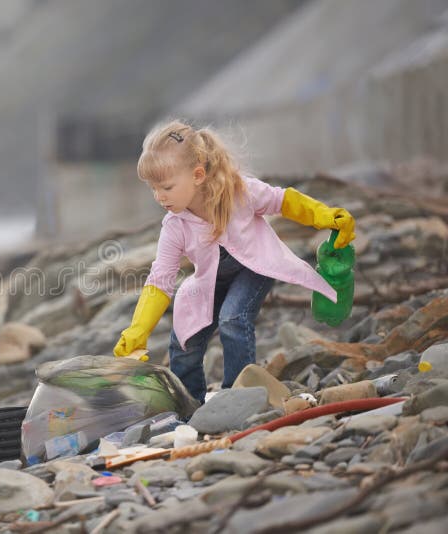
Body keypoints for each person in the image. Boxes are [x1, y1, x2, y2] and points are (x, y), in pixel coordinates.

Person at [112, 118, 356, 404]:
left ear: (198, 175)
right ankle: (188, 405)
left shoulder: (239, 192)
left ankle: (238, 395)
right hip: (210, 280)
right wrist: (138, 328)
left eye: (166, 187)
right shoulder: (174, 225)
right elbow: (160, 279)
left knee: (233, 319)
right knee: (184, 339)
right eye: (153, 189)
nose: (159, 196)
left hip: (254, 269)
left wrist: (324, 215)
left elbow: (283, 200)